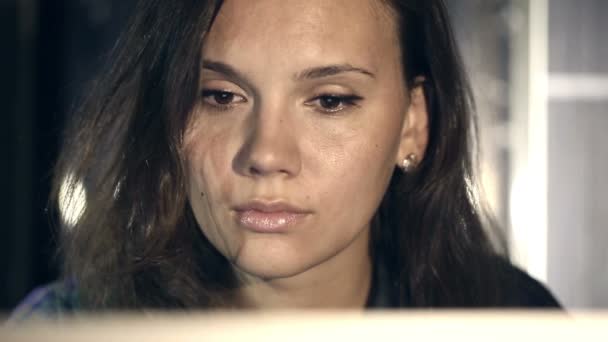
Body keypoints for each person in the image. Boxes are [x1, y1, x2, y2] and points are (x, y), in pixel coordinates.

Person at [12, 0, 560, 318]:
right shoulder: (69, 326)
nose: (266, 155)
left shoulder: (506, 318)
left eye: (330, 101)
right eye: (221, 96)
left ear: (411, 123)